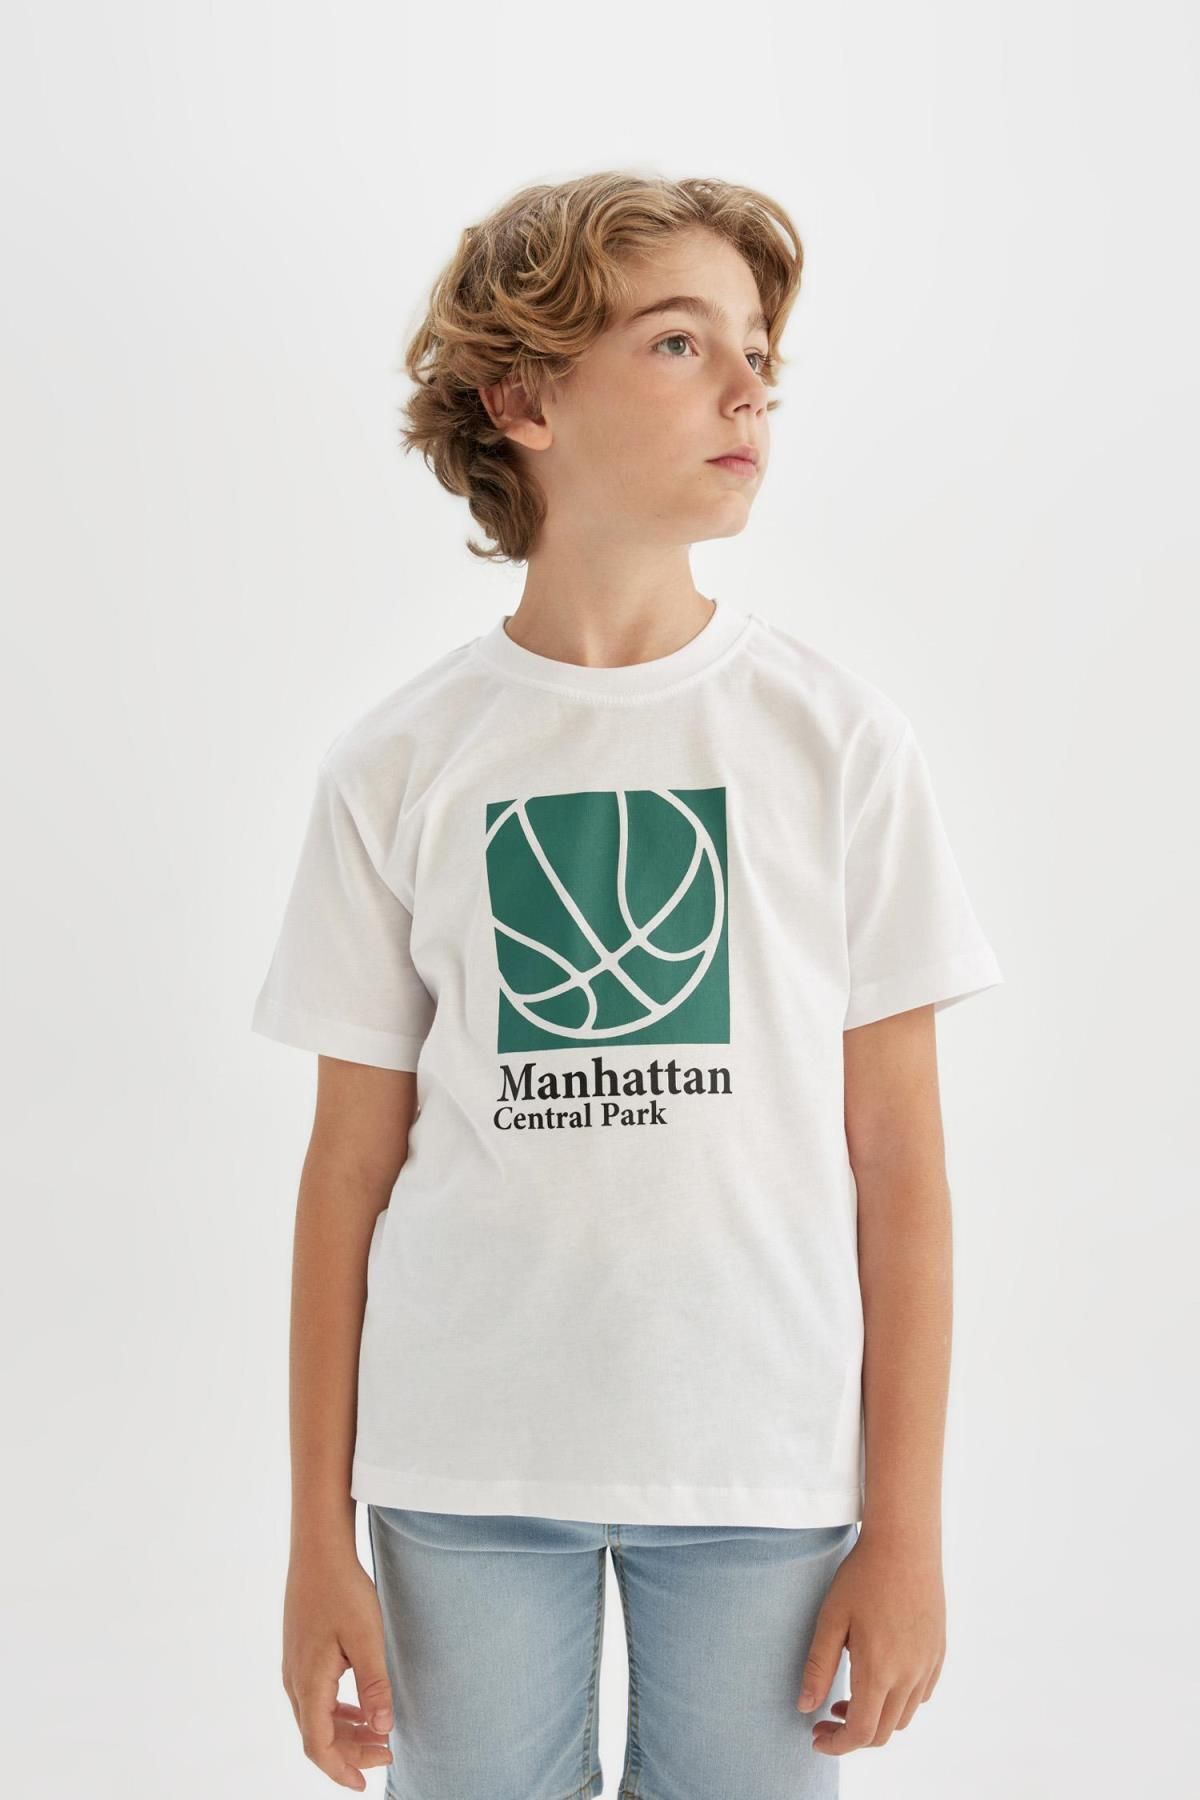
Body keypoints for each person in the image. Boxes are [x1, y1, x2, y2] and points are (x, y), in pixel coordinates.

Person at [250, 170, 1004, 1799]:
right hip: (463, 1467)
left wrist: (910, 1531)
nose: (748, 389)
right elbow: (346, 1174)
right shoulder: (402, 764)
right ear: (521, 401)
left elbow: (903, 1167)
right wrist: (316, 1540)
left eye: (759, 355)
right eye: (679, 343)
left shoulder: (837, 745)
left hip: (762, 1472)